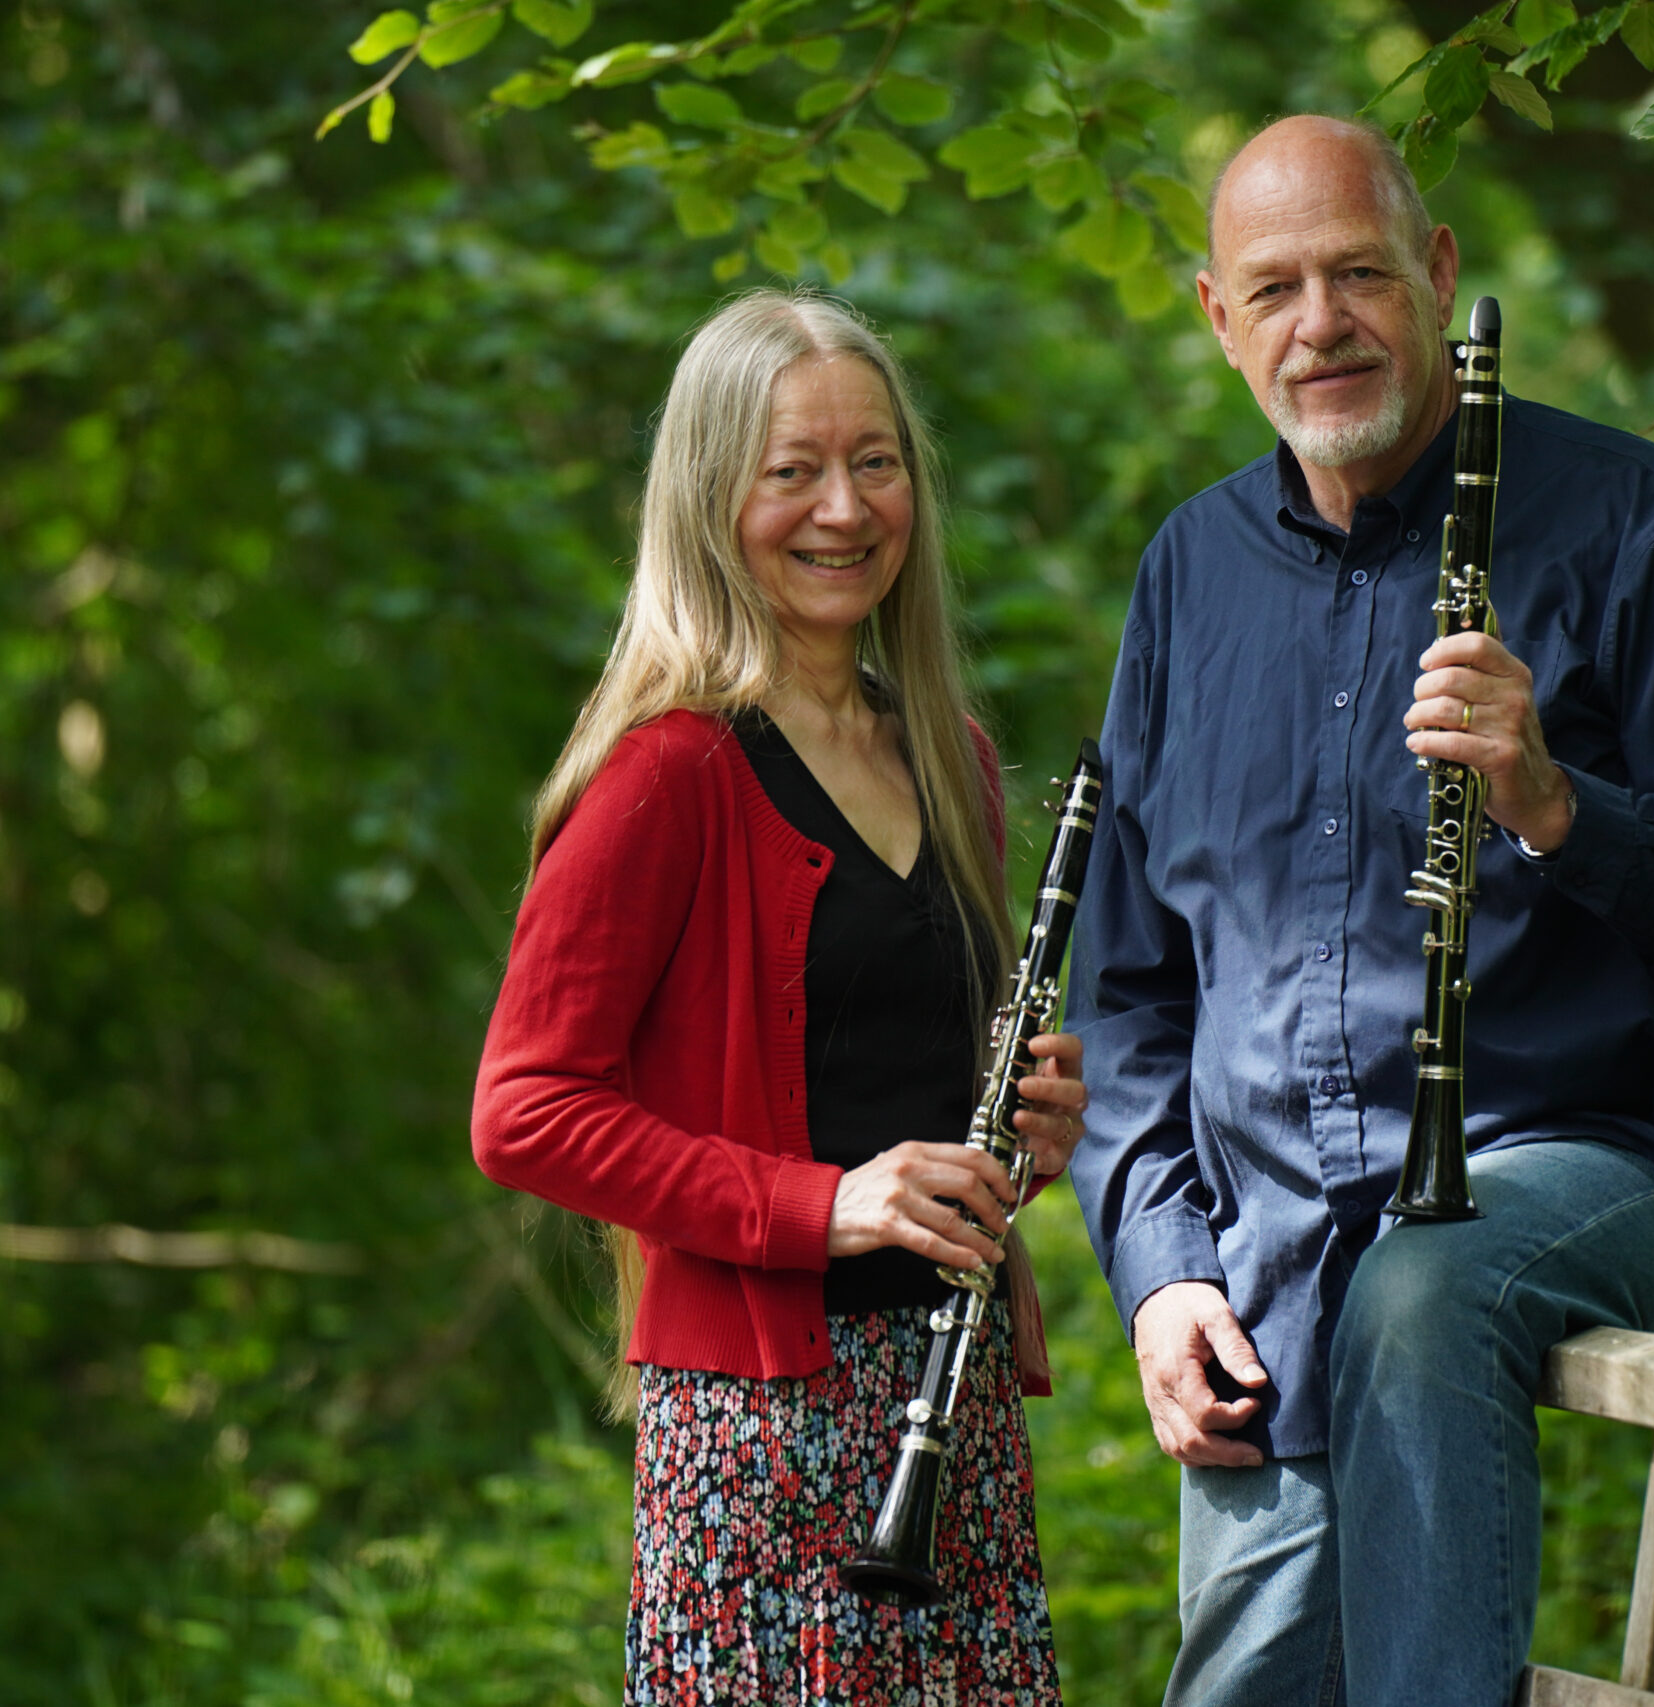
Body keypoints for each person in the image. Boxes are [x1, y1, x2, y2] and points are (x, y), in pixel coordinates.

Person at [1065, 117, 1654, 1706]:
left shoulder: (1645, 528)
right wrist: (1163, 1267)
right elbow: (1131, 994)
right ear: (1220, 319)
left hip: (1597, 1155)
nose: (1321, 324)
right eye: (1274, 289)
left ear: (1436, 275)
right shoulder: (1186, 578)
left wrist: (1558, 805)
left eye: (1358, 273)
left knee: (1422, 1284)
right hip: (1272, 1253)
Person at [472, 288, 1083, 1706]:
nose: (843, 509)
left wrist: (1026, 1129)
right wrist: (826, 1206)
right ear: (709, 495)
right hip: (763, 1443)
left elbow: (898, 1090)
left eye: (875, 463)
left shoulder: (950, 755)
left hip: (954, 1410)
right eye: (790, 469)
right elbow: (523, 1112)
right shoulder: (668, 771)